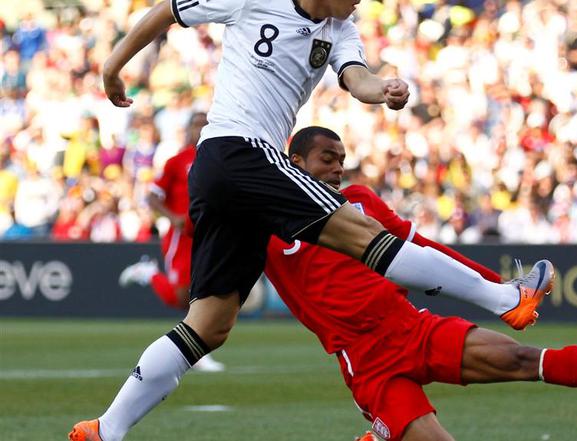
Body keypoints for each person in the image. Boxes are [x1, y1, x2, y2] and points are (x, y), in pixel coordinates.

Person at [70, 1, 552, 440]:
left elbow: (357, 79)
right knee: (368, 235)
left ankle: (105, 429)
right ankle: (506, 298)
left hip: (220, 172)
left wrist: (382, 89)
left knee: (208, 324)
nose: (360, 1)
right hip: (242, 150)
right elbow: (168, 10)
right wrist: (112, 67)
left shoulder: (340, 27)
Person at [262, 127, 577, 441]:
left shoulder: (360, 200)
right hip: (368, 360)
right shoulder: (267, 227)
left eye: (341, 159)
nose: (337, 168)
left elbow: (424, 248)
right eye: (326, 159)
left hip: (413, 327)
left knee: (523, 359)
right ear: (295, 162)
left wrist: (499, 285)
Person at [118, 112, 225, 372]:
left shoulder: (220, 158)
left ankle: (197, 351)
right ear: (187, 130)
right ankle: (149, 273)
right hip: (182, 236)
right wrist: (172, 217)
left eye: (205, 124)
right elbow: (152, 197)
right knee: (181, 297)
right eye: (196, 124)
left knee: (204, 293)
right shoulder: (177, 161)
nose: (200, 129)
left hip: (211, 235)